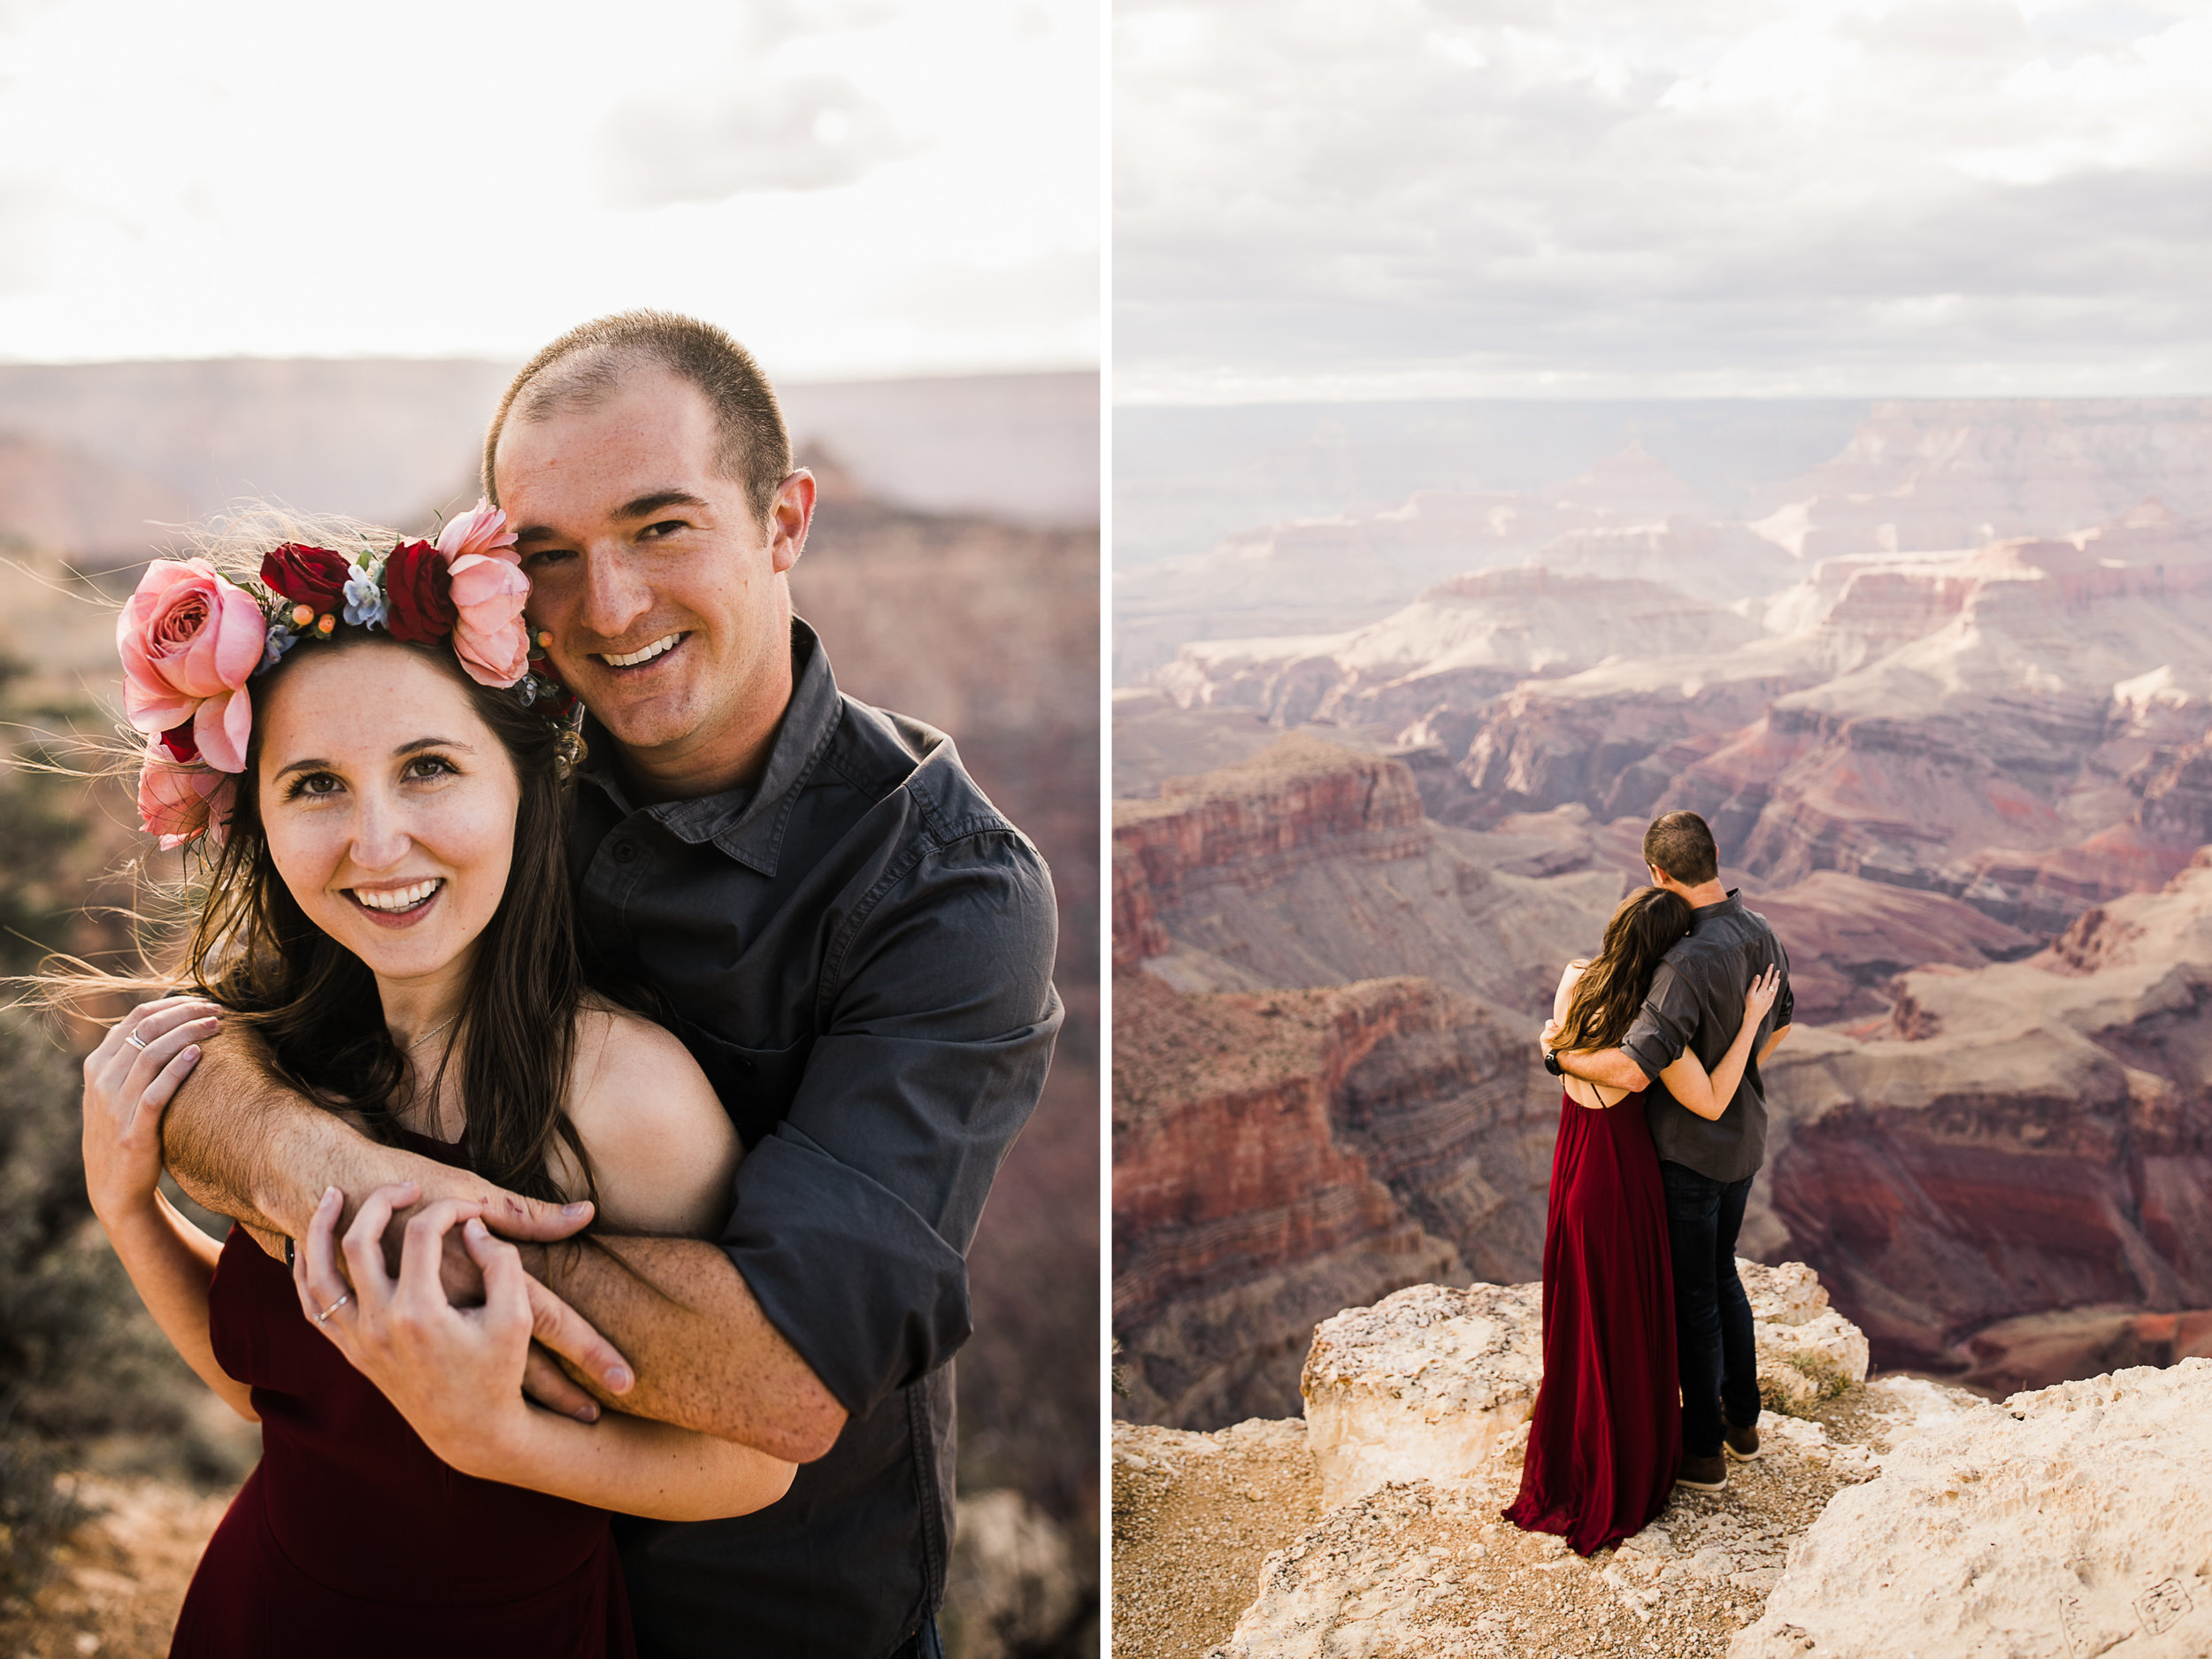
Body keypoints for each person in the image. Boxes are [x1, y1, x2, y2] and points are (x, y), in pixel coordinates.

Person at [86, 311, 1062, 1659]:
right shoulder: (477, 767)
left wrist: (373, 1210)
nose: (607, 606)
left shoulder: (947, 893)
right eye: (548, 553)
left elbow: (783, 1376)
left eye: (662, 526)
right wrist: (314, 1163)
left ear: (786, 518)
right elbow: (224, 1051)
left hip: (768, 1608)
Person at [68, 511, 796, 1655]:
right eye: (314, 783)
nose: (378, 839)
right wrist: (132, 1212)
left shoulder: (626, 1098)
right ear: (255, 813)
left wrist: (502, 1442)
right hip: (266, 1607)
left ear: (523, 784)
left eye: (427, 767)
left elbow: (752, 1458)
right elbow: (284, 1395)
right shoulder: (288, 1052)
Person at [1508, 885, 1780, 1553]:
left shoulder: (1573, 980)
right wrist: (1749, 1020)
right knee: (1628, 1321)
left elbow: (1563, 1049)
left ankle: (1575, 1454)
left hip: (1572, 1165)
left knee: (1582, 1318)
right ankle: (1627, 1464)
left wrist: (1556, 1054)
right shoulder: (1651, 1029)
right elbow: (1712, 1099)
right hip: (1620, 1178)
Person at [1547, 810, 1793, 1494]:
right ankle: (1744, 1421)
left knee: (1695, 1300)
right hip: (1743, 1141)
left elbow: (1631, 1070)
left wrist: (1555, 1054)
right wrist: (1737, 1068)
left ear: (1657, 873)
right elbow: (1784, 1021)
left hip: (1688, 1155)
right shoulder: (1760, 929)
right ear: (1716, 854)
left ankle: (1705, 1453)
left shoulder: (1680, 961)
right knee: (1723, 1277)